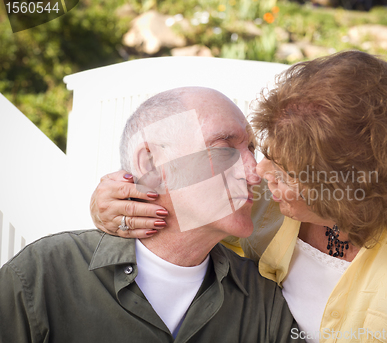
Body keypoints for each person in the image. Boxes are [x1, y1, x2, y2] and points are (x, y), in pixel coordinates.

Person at [90, 51, 387, 342]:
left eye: (290, 171)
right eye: (266, 151)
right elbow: (183, 227)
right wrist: (121, 204)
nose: (258, 173)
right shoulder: (268, 201)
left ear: (346, 187)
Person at [0, 87, 304, 343]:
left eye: (251, 148)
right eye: (225, 147)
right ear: (149, 162)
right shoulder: (40, 276)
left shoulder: (264, 302)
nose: (255, 173)